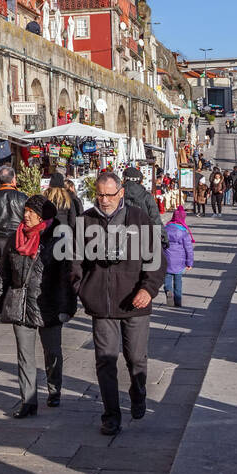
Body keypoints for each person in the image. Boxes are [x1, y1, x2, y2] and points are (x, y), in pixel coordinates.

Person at [69, 168, 164, 436]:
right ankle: (111, 415)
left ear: (121, 193)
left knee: (135, 358)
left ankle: (139, 391)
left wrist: (149, 289)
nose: (104, 200)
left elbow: (156, 259)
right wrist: (83, 289)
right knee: (105, 361)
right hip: (102, 305)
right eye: (99, 195)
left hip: (136, 303)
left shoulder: (139, 218)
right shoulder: (84, 221)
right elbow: (74, 261)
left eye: (109, 195)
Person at [0, 195, 77, 416]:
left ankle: (54, 390)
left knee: (52, 352)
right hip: (19, 302)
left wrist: (67, 307)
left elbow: (68, 277)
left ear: (42, 216)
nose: (25, 215)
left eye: (31, 212)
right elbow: (3, 273)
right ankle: (28, 402)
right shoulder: (14, 238)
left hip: (49, 303)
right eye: (25, 211)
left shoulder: (57, 240)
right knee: (24, 355)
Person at [163, 205, 194, 308]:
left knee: (167, 279)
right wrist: (189, 263)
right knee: (178, 281)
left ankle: (168, 291)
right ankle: (178, 301)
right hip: (179, 262)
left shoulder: (165, 228)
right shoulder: (184, 232)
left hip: (167, 259)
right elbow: (189, 249)